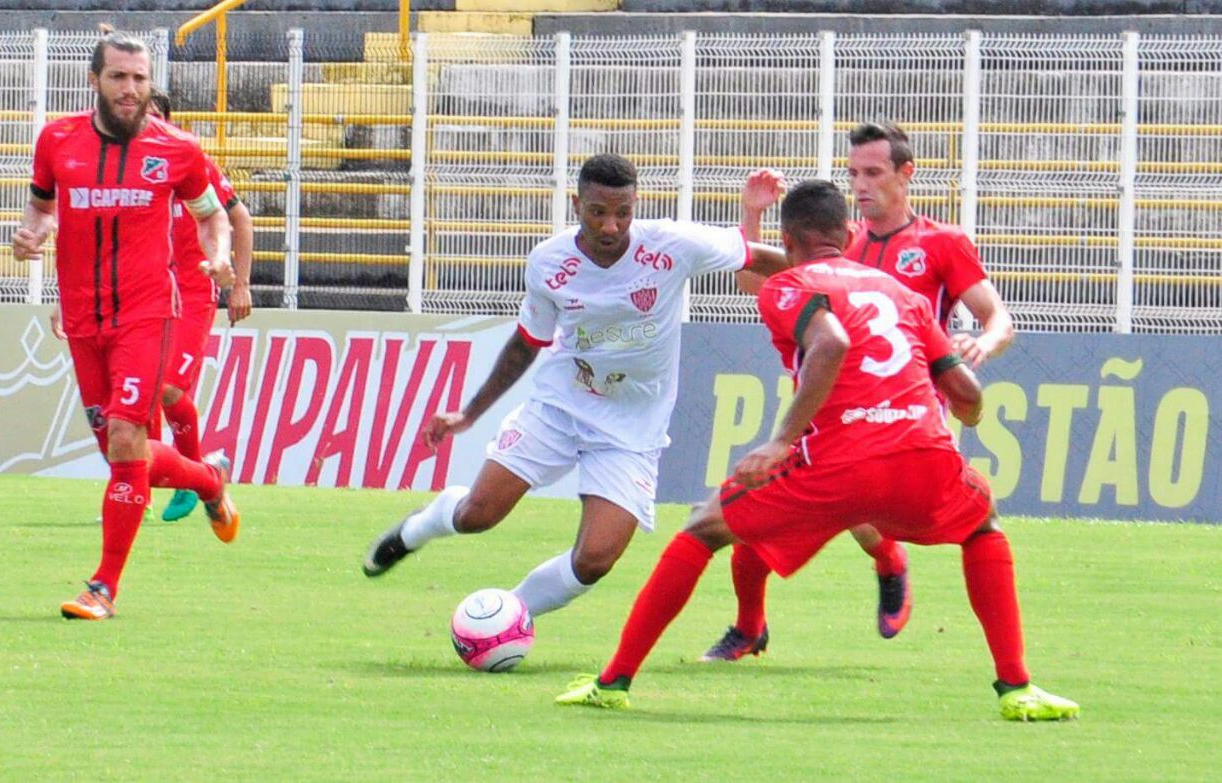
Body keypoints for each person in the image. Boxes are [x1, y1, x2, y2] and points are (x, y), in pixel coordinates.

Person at [555, 179, 1078, 721]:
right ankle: (1017, 687)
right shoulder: (904, 294)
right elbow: (966, 395)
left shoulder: (792, 284)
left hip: (836, 462)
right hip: (922, 454)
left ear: (788, 239)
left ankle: (614, 680)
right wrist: (968, 417)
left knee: (703, 527)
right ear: (850, 233)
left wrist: (782, 441)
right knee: (982, 527)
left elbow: (831, 342)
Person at [361, 154, 791, 621]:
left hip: (632, 428)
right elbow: (527, 343)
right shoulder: (549, 261)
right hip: (559, 408)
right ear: (576, 204)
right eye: (597, 212)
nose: (610, 226)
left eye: (622, 213)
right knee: (476, 516)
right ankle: (422, 526)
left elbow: (761, 261)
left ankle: (506, 617)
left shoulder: (672, 244)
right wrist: (470, 413)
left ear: (635, 205)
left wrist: (841, 283)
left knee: (595, 560)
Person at [705, 121, 1017, 660]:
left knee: (790, 501)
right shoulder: (836, 242)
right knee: (757, 512)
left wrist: (980, 345)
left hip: (907, 413)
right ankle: (756, 624)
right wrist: (753, 212)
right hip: (826, 405)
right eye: (853, 174)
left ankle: (888, 562)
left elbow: (998, 318)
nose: (861, 185)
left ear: (905, 174)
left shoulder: (941, 244)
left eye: (873, 173)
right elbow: (760, 285)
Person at [12, 31, 242, 621]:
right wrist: (32, 232)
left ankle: (103, 587)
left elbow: (214, 216)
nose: (130, 88)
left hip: (147, 314)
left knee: (124, 439)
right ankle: (209, 482)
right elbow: (41, 203)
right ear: (95, 80)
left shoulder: (178, 149)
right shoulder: (57, 141)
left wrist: (219, 258)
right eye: (118, 77)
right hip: (83, 319)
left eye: (139, 79)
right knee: (123, 452)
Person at [146, 89, 255, 523]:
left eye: (156, 116)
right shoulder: (128, 169)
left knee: (168, 390)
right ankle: (151, 491)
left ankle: (195, 477)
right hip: (148, 293)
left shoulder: (188, 160)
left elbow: (238, 217)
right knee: (140, 397)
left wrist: (240, 284)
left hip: (193, 291)